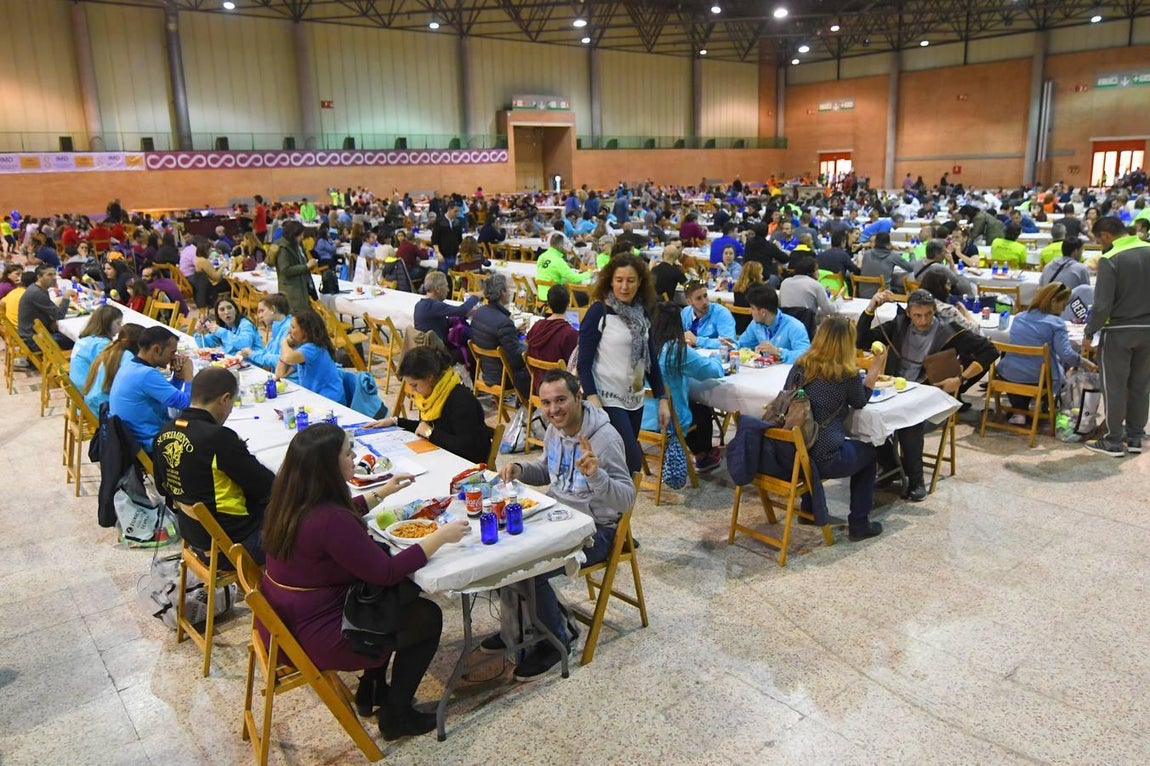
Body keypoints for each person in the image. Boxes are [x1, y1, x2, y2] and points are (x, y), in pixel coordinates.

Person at [260, 422, 469, 739]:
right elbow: (384, 571)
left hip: (287, 622)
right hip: (321, 634)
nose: (355, 456)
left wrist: (384, 491)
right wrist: (439, 537)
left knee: (398, 595)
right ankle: (397, 716)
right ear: (329, 466)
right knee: (425, 616)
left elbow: (342, 522)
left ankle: (372, 689)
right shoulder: (331, 519)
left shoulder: (289, 501)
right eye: (348, 452)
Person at [496, 369, 635, 680]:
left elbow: (626, 500)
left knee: (530, 570)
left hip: (597, 530)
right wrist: (519, 468)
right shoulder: (554, 430)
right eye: (546, 402)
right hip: (558, 518)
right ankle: (516, 630)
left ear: (578, 398)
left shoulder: (605, 438)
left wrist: (596, 475)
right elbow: (548, 470)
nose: (553, 409)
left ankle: (557, 639)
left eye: (561, 400)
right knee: (501, 552)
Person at [856, 289, 999, 500]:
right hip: (898, 392)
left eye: (928, 315)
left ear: (935, 312)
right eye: (917, 315)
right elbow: (861, 340)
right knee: (866, 414)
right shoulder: (898, 326)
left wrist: (961, 379)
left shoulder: (948, 331)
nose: (923, 321)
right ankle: (890, 466)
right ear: (908, 314)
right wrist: (870, 309)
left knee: (909, 423)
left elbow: (990, 351)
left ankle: (916, 480)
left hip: (933, 398)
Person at [154, 367, 276, 563]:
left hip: (193, 536)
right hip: (231, 545)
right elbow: (267, 486)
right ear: (225, 399)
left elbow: (162, 487)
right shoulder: (217, 438)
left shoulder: (163, 433)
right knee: (299, 517)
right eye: (232, 404)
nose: (230, 410)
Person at [784, 315, 885, 540]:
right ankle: (859, 523)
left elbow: (786, 395)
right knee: (869, 454)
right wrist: (875, 369)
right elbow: (860, 400)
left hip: (792, 453)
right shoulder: (845, 373)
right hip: (823, 457)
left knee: (810, 445)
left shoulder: (801, 364)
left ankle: (809, 508)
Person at [577, 253, 670, 473]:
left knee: (617, 465)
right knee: (631, 461)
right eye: (619, 280)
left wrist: (662, 398)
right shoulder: (599, 312)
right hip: (607, 399)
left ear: (640, 282)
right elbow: (583, 363)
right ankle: (618, 506)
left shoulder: (642, 313)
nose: (624, 286)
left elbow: (651, 360)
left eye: (630, 280)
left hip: (635, 398)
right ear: (610, 280)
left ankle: (615, 505)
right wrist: (593, 400)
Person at [1082, 217, 1150, 456]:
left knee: (1115, 387)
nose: (1100, 245)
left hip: (1119, 331)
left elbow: (1101, 306)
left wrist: (1089, 332)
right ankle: (1134, 438)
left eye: (1099, 240)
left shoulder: (1111, 259)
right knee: (1142, 386)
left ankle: (1112, 440)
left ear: (1106, 236)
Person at [367, 347, 491, 464]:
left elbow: (466, 448)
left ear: (429, 377)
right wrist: (395, 421)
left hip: (466, 464)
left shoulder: (460, 399)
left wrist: (429, 433)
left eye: (414, 385)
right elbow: (426, 426)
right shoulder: (432, 394)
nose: (413, 390)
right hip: (442, 456)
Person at [996, 283, 1095, 424]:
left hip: (1008, 375)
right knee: (1058, 365)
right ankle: (1043, 405)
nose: (1064, 308)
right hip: (1037, 378)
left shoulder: (1019, 317)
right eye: (1063, 304)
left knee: (1024, 363)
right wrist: (1085, 362)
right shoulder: (1056, 324)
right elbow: (1066, 354)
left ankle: (1019, 411)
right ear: (1054, 302)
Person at [643, 302, 725, 472]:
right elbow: (711, 371)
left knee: (690, 403)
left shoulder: (643, 345)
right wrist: (717, 357)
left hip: (642, 418)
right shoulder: (675, 350)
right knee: (701, 406)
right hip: (669, 420)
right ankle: (703, 456)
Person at [108, 325, 193, 451]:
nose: (174, 357)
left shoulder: (131, 365)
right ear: (157, 350)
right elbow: (187, 404)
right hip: (149, 444)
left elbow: (165, 397)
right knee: (203, 434)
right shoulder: (146, 374)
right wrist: (189, 375)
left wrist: (178, 378)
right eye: (172, 352)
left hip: (130, 440)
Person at [469, 273, 531, 401]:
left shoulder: (479, 313)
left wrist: (514, 332)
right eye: (508, 289)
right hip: (503, 376)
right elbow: (517, 357)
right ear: (502, 293)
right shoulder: (503, 322)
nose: (510, 292)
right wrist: (529, 346)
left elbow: (493, 338)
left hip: (486, 371)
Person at [275, 310, 343, 401]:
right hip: (314, 396)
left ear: (305, 331)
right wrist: (287, 347)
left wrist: (284, 342)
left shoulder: (313, 348)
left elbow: (288, 358)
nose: (289, 331)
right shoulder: (301, 347)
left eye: (293, 327)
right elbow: (280, 374)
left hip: (329, 399)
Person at [737, 283, 810, 362]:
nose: (749, 311)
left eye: (752, 308)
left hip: (786, 372)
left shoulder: (795, 326)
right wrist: (732, 345)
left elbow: (806, 356)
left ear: (763, 312)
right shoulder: (756, 324)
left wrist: (778, 352)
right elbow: (742, 344)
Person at [525, 284, 579, 391]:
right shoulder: (570, 334)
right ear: (568, 303)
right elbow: (573, 366)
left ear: (548, 304)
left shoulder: (536, 326)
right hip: (560, 388)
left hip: (538, 385)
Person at [82, 323, 143, 412]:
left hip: (92, 403)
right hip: (103, 409)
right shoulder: (128, 356)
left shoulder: (110, 348)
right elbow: (134, 383)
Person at [412, 270, 479, 350]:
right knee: (470, 348)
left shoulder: (420, 304)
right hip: (437, 352)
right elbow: (462, 310)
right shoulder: (434, 306)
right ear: (437, 289)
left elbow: (443, 323)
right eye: (446, 286)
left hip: (426, 349)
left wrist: (465, 315)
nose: (448, 290)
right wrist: (476, 296)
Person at [17, 264, 75, 350]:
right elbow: (59, 315)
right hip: (33, 339)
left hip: (34, 332)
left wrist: (50, 322)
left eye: (54, 274)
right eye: (49, 275)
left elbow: (47, 311)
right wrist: (66, 297)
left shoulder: (38, 288)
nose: (54, 277)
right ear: (39, 277)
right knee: (75, 339)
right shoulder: (36, 293)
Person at [68, 304, 122, 390]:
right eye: (118, 323)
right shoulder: (101, 345)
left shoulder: (85, 338)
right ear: (107, 324)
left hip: (76, 385)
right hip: (88, 390)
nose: (120, 328)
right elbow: (112, 371)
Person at [269, 220, 316, 315]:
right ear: (293, 235)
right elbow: (285, 270)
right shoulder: (283, 248)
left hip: (301, 287)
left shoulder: (296, 245)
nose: (302, 237)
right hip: (292, 291)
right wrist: (306, 267)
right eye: (300, 235)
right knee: (297, 318)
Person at [196, 295, 262, 354]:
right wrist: (199, 333)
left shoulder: (246, 324)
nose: (227, 312)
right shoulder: (223, 326)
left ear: (236, 310)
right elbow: (203, 345)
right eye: (222, 310)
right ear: (218, 315)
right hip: (234, 362)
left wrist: (221, 332)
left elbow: (245, 344)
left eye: (229, 308)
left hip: (251, 363)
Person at [535, 232, 591, 303]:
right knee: (585, 296)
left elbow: (552, 275)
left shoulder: (542, 256)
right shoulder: (558, 261)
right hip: (554, 298)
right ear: (560, 245)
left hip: (541, 296)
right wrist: (589, 274)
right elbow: (575, 279)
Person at [680, 280, 736, 349]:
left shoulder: (721, 313)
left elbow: (730, 344)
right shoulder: (685, 313)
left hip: (714, 357)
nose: (704, 302)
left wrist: (697, 341)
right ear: (689, 301)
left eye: (705, 296)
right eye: (698, 298)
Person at [245, 293, 292, 371]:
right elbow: (267, 353)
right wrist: (248, 354)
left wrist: (251, 354)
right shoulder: (277, 327)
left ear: (273, 310)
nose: (259, 316)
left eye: (261, 311)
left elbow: (281, 361)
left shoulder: (289, 328)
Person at [859, 232, 914, 298]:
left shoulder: (866, 254)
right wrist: (912, 253)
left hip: (863, 294)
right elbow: (911, 268)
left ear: (875, 242)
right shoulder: (892, 256)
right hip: (883, 296)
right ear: (888, 243)